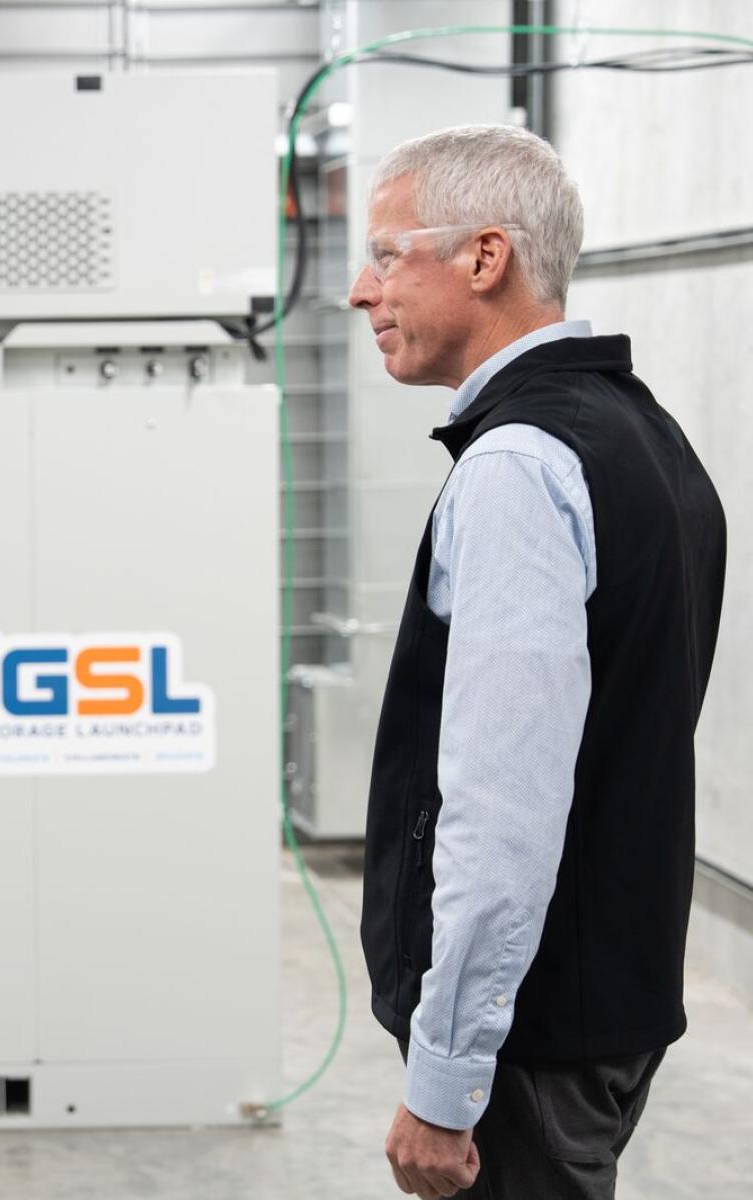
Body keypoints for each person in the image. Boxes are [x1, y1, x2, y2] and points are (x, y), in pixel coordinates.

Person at [349, 126, 726, 1200]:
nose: (359, 292)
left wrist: (445, 1077)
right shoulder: (645, 434)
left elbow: (502, 807)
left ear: (483, 257)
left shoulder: (520, 466)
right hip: (605, 995)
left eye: (385, 255)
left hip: (530, 1033)